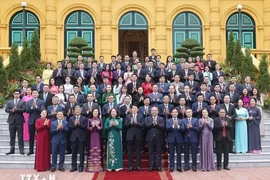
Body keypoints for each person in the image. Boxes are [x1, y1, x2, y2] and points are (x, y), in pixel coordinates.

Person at [5, 90, 26, 155]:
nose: (16, 95)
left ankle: (21, 149)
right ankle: (12, 149)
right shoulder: (9, 102)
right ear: (13, 94)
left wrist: (17, 109)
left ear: (19, 95)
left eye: (17, 94)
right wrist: (12, 110)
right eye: (15, 94)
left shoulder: (22, 102)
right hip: (11, 121)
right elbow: (6, 109)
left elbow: (24, 110)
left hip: (19, 121)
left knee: (20, 136)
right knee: (12, 136)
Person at [145, 107, 164, 172]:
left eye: (155, 110)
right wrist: (152, 124)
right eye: (152, 110)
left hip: (159, 138)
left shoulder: (161, 118)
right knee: (151, 153)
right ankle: (151, 166)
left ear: (158, 111)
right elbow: (146, 127)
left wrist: (157, 124)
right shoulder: (148, 118)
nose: (154, 111)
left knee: (158, 153)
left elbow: (163, 127)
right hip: (150, 138)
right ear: (151, 111)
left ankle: (158, 166)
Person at [125, 105, 144, 172]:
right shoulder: (128, 116)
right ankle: (130, 165)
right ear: (131, 109)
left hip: (138, 135)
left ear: (138, 109)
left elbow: (143, 125)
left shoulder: (141, 116)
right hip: (130, 136)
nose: (134, 109)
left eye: (136, 108)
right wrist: (130, 123)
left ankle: (138, 166)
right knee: (130, 152)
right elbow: (125, 125)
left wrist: (137, 123)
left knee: (138, 152)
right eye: (133, 108)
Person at [26, 90, 44, 155]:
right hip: (31, 121)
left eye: (36, 93)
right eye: (33, 93)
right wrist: (31, 107)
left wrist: (36, 107)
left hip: (39, 121)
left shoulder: (41, 101)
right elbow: (27, 111)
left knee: (40, 136)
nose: (35, 94)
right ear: (32, 94)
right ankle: (30, 150)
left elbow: (42, 110)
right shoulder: (29, 102)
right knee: (31, 136)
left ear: (38, 94)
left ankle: (40, 150)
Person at [69, 106, 87, 172]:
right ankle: (74, 167)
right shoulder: (71, 118)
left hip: (81, 138)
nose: (77, 111)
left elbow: (85, 127)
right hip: (73, 138)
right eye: (76, 110)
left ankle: (81, 167)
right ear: (74, 111)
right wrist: (74, 125)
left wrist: (79, 124)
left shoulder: (84, 118)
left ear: (81, 111)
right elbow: (70, 127)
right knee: (74, 153)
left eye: (79, 110)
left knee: (81, 153)